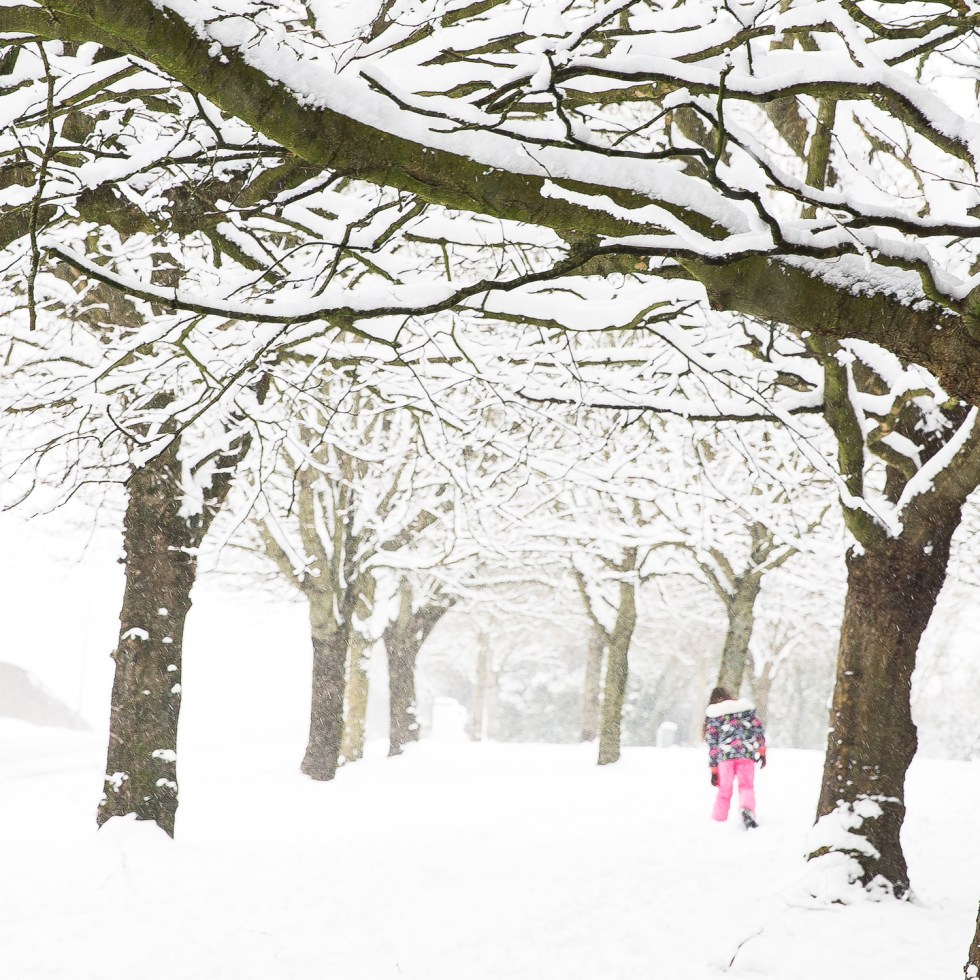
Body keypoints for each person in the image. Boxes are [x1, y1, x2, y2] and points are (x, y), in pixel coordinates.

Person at [703, 686, 766, 829]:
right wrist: (762, 751)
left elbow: (713, 745)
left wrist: (714, 770)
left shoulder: (715, 715)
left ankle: (719, 819)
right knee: (746, 786)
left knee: (725, 789)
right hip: (746, 754)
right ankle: (747, 809)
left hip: (725, 757)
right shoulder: (745, 711)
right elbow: (758, 729)